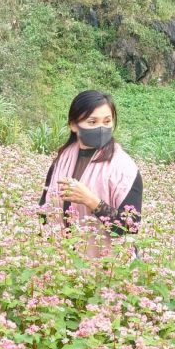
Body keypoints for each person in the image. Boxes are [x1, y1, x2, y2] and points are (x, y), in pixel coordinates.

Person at [38, 89, 142, 255]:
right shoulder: (62, 159)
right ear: (73, 125)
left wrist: (91, 201)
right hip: (62, 263)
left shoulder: (124, 169)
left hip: (111, 269)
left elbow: (130, 227)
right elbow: (43, 208)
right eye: (92, 122)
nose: (101, 128)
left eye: (107, 122)